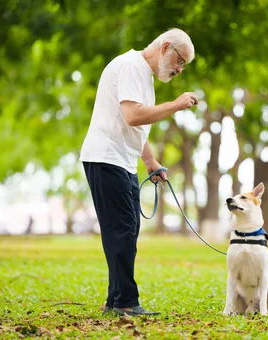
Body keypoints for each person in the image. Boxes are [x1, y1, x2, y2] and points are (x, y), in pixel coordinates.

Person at [80, 28, 198, 316]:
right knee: (121, 229)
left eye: (183, 66)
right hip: (106, 157)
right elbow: (133, 115)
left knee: (127, 229)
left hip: (122, 160)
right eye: (179, 61)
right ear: (165, 46)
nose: (179, 70)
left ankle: (115, 301)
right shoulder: (131, 66)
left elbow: (137, 125)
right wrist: (176, 105)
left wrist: (151, 162)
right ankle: (125, 303)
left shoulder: (144, 75)